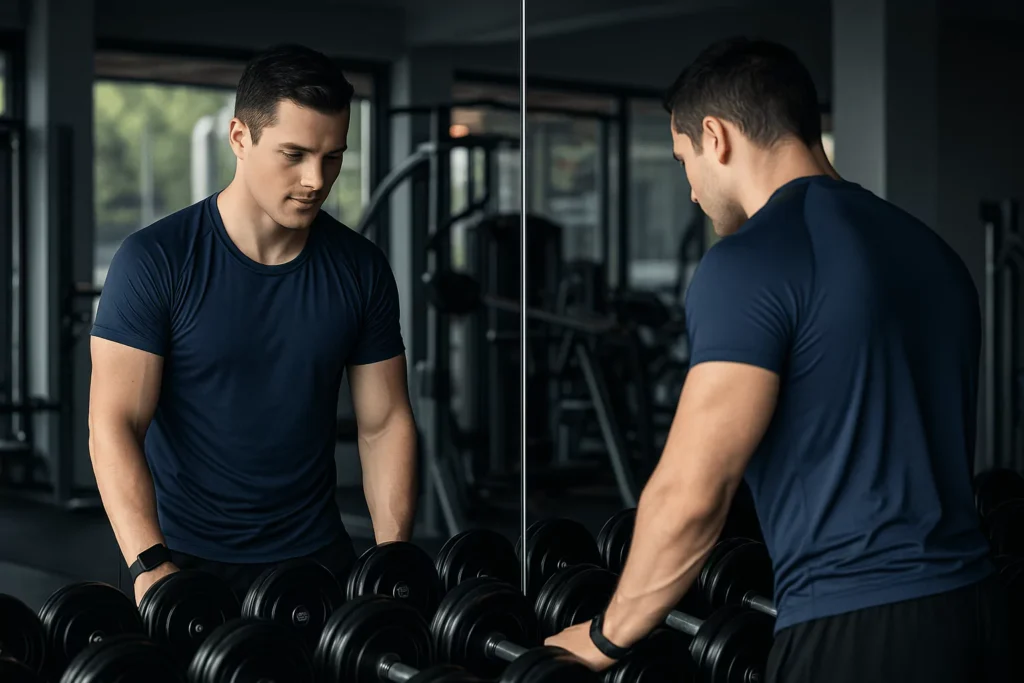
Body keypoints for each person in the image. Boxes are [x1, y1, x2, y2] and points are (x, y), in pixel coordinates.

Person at [545, 37, 1011, 682]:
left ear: (716, 136)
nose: (690, 191)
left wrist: (606, 637)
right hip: (982, 610)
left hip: (857, 627)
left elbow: (693, 492)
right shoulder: (931, 250)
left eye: (683, 161)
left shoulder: (750, 261)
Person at [88, 44, 418, 605]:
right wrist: (149, 565)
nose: (317, 179)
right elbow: (114, 424)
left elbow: (384, 423)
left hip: (318, 562)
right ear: (240, 138)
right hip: (183, 563)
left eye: (332, 157)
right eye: (294, 154)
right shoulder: (155, 260)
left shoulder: (360, 268)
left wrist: (390, 558)